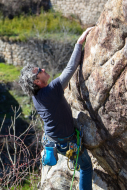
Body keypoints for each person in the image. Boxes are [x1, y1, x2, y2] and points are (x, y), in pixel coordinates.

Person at [19, 27, 94, 190]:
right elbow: (70, 69)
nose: (43, 69)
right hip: (66, 141)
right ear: (37, 82)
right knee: (86, 167)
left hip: (52, 141)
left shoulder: (36, 96)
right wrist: (79, 43)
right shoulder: (51, 90)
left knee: (77, 161)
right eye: (40, 71)